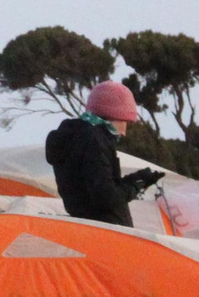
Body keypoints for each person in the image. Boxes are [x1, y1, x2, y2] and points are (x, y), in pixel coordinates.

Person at [45, 81, 163, 226]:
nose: (124, 132)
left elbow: (99, 187)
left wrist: (137, 180)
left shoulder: (75, 137)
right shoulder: (94, 140)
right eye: (125, 121)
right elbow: (107, 198)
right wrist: (135, 185)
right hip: (108, 235)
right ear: (113, 115)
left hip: (89, 231)